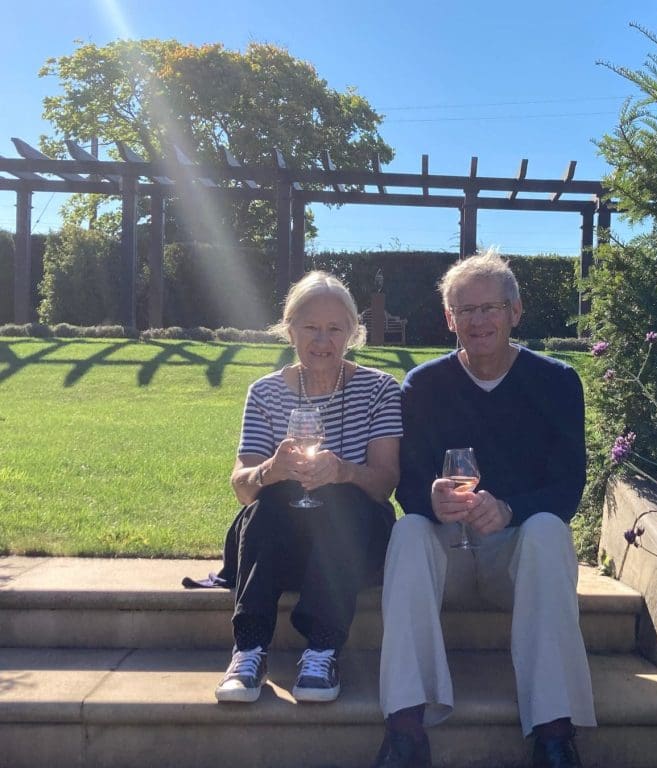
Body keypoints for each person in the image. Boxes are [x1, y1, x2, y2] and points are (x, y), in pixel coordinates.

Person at [371, 251, 595, 768]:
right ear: (449, 319)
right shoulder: (423, 386)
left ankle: (555, 734)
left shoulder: (556, 382)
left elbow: (569, 488)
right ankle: (405, 728)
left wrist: (511, 509)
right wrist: (428, 498)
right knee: (406, 534)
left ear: (515, 311)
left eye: (490, 307)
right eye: (464, 310)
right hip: (447, 556)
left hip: (515, 559)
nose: (478, 321)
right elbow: (408, 482)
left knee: (546, 529)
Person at [215, 270, 401, 705]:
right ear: (289, 329)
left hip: (354, 542)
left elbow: (385, 484)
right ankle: (249, 650)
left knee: (345, 499)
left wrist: (344, 472)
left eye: (335, 328)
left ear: (353, 333)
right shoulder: (264, 392)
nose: (322, 340)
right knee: (270, 497)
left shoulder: (379, 390)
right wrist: (270, 471)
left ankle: (323, 648)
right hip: (280, 542)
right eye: (310, 328)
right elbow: (243, 488)